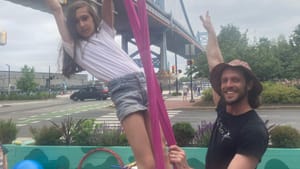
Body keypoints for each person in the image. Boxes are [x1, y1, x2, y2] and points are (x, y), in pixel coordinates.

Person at [45, 1, 170, 169]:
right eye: (76, 21)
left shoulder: (105, 31)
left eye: (85, 18)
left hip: (145, 83)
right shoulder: (73, 46)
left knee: (162, 151)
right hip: (124, 92)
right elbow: (56, 9)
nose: (81, 24)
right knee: (146, 162)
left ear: (93, 18)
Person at [169, 11, 269, 169]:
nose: (228, 85)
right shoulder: (224, 109)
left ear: (249, 85)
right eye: (224, 80)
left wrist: (185, 167)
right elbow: (214, 61)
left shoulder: (254, 131)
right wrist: (211, 32)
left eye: (235, 80)